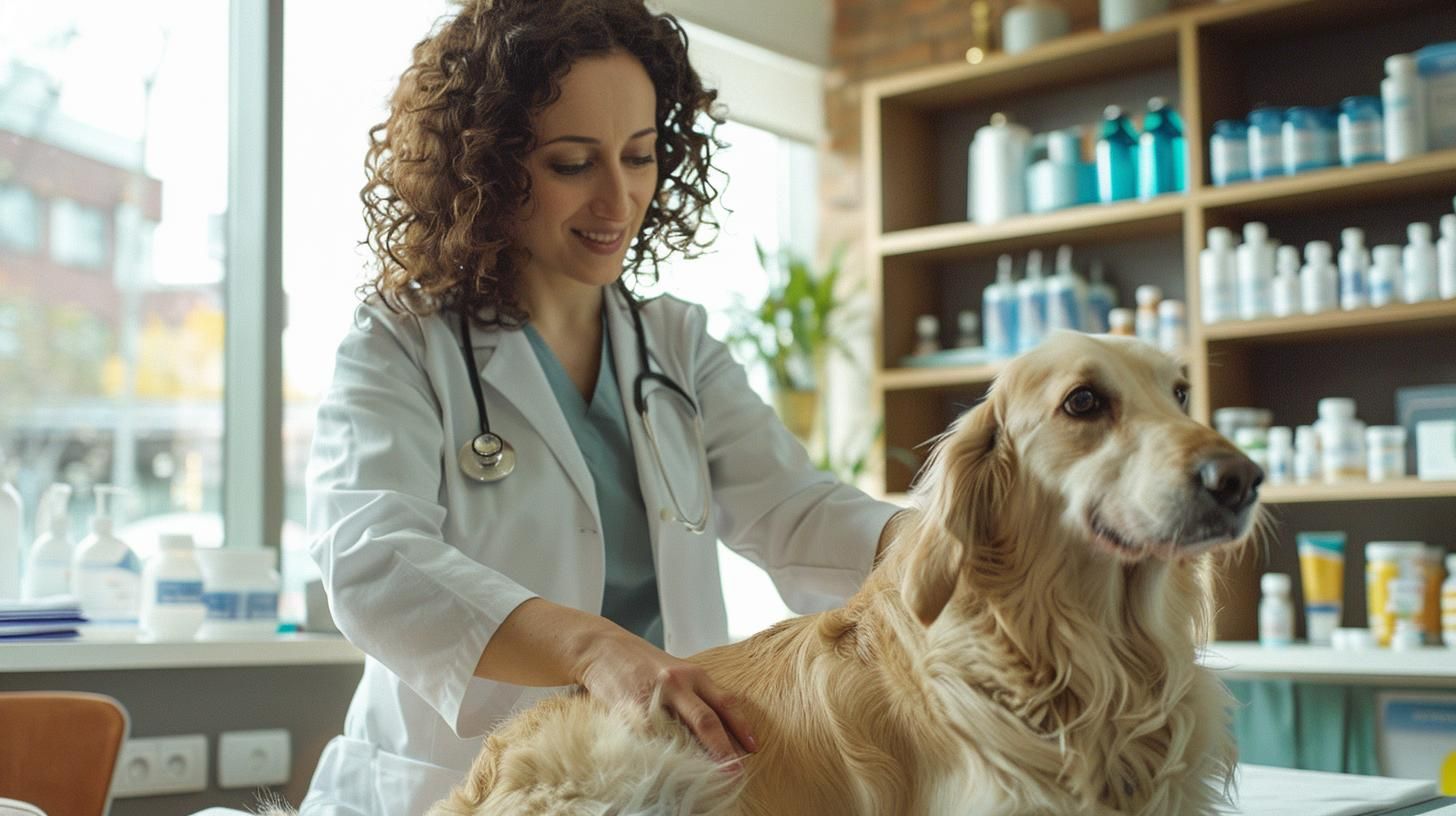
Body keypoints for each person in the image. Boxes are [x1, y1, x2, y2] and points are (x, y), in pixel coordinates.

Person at [301, 1, 904, 812]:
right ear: (486, 168)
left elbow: (794, 511)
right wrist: (593, 650)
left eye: (641, 156)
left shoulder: (676, 346)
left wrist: (938, 538)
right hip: (453, 786)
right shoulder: (403, 343)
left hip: (637, 783)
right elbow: (370, 556)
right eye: (572, 164)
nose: (619, 201)